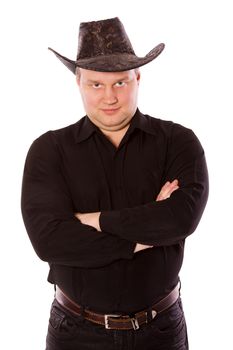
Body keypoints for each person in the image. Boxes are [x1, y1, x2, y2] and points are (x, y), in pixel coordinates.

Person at [21, 17, 209, 350]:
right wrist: (144, 237)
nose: (109, 97)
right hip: (75, 333)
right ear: (78, 82)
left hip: (161, 332)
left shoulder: (178, 142)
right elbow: (49, 241)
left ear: (137, 78)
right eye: (96, 84)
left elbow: (181, 218)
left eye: (120, 83)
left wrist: (96, 221)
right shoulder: (49, 151)